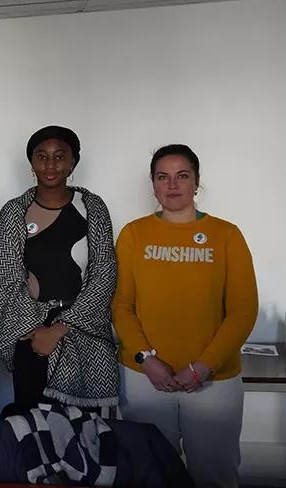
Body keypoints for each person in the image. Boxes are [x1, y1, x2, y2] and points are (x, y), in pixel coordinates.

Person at [112, 144, 258, 488]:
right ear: (153, 184)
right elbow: (121, 305)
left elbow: (243, 310)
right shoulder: (134, 233)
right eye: (163, 177)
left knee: (214, 476)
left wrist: (204, 366)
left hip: (213, 383)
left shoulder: (227, 235)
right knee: (149, 474)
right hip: (144, 378)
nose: (173, 185)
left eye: (182, 176)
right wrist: (147, 360)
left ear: (196, 182)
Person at [0, 125, 119, 416]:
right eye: (42, 156)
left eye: (59, 157)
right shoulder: (14, 212)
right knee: (34, 428)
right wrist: (37, 332)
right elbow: (5, 279)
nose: (50, 165)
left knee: (85, 431)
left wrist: (61, 329)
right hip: (30, 335)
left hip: (84, 330)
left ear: (72, 163)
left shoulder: (92, 208)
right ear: (31, 163)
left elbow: (104, 275)